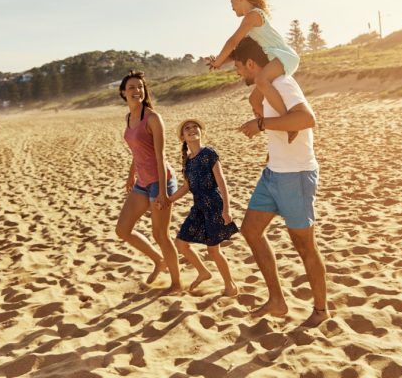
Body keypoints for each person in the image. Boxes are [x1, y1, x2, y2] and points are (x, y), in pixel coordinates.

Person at [230, 36, 330, 327]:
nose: (237, 74)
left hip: (296, 176)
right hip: (273, 173)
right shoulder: (262, 90)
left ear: (251, 64)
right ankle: (277, 300)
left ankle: (321, 310)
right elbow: (274, 119)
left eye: (238, 67)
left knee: (304, 246)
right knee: (250, 230)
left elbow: (306, 120)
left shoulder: (284, 83)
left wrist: (261, 125)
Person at [206, 0, 300, 143]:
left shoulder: (254, 15)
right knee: (254, 100)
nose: (231, 6)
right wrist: (219, 62)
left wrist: (218, 61)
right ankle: (275, 129)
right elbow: (237, 52)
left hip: (284, 56)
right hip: (275, 59)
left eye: (232, 1)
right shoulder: (251, 20)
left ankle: (287, 122)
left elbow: (233, 41)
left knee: (261, 80)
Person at [115, 70, 181, 293]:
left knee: (160, 234)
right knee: (123, 230)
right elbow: (137, 150)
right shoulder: (129, 117)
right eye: (132, 88)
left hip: (160, 181)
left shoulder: (152, 118)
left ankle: (177, 283)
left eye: (140, 87)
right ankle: (158, 261)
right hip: (142, 182)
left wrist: (163, 192)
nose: (137, 91)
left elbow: (160, 156)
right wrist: (130, 174)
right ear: (123, 93)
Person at [168, 119, 239, 296]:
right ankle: (203, 272)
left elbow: (221, 181)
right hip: (198, 208)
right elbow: (186, 187)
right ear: (182, 137)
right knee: (181, 243)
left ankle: (230, 285)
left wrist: (226, 209)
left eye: (195, 127)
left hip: (214, 205)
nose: (192, 130)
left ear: (201, 132)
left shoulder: (209, 153)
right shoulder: (188, 161)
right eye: (187, 129)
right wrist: (168, 200)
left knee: (213, 249)